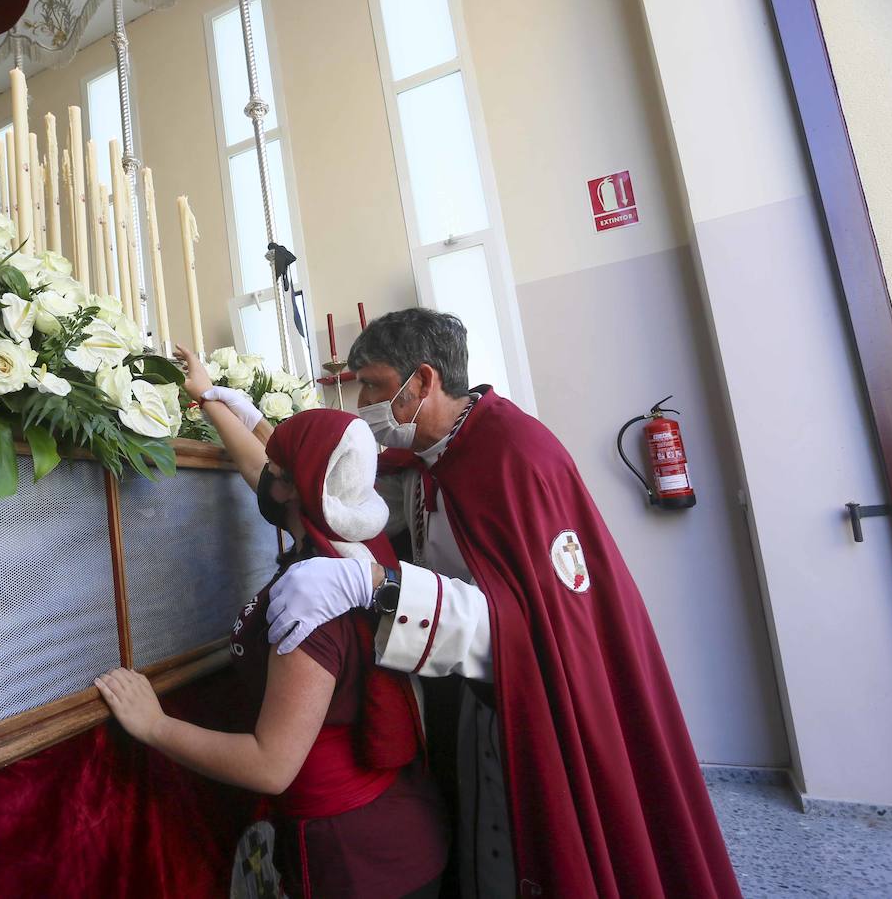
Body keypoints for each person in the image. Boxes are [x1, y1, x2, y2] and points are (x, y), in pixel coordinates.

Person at [260, 309, 742, 898]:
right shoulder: (431, 453)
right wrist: (243, 415)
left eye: (378, 386)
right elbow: (317, 477)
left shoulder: (517, 454)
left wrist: (376, 586)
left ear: (424, 381)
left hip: (536, 694)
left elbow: (522, 624)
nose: (365, 403)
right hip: (478, 702)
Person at [96, 349, 447, 899]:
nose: (264, 474)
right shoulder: (355, 537)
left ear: (291, 488)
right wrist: (211, 399)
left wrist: (154, 725)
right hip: (403, 833)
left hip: (359, 862)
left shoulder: (310, 600)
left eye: (277, 470)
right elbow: (266, 467)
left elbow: (271, 766)